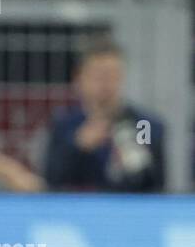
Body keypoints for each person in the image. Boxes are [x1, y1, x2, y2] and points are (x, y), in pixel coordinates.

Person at [43, 37, 165, 193]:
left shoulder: (144, 125)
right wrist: (78, 146)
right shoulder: (64, 124)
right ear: (80, 78)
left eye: (113, 75)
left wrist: (134, 161)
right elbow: (50, 180)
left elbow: (157, 185)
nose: (106, 84)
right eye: (98, 75)